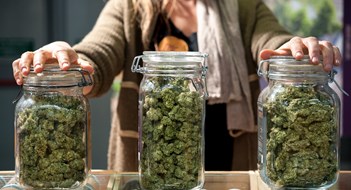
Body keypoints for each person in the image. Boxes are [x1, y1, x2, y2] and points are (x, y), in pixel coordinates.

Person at [12, 0, 342, 172]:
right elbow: (99, 51)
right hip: (150, 166)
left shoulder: (243, 7)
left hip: (230, 160)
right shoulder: (129, 7)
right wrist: (73, 63)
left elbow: (271, 39)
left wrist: (290, 49)